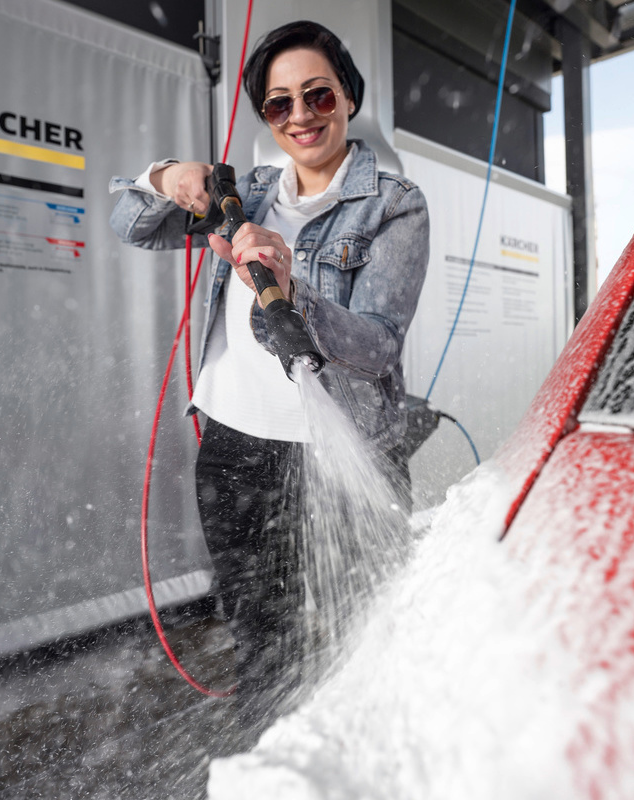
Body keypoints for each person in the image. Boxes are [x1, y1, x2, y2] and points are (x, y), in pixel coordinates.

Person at [109, 20, 429, 739]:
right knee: (265, 648)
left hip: (339, 456)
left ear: (348, 96)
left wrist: (298, 289)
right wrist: (166, 176)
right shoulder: (245, 193)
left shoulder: (395, 204)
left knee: (368, 646)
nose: (301, 115)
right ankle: (274, 771)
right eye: (279, 103)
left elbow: (377, 346)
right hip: (234, 451)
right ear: (264, 116)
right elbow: (129, 223)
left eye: (318, 94)